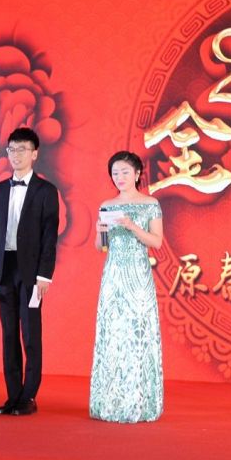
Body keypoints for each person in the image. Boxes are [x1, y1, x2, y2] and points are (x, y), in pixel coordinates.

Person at [0, 127, 59, 416]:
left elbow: (49, 236)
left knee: (30, 334)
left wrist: (44, 276)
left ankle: (29, 397)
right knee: (8, 335)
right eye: (12, 149)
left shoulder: (46, 191)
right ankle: (13, 395)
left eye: (22, 149)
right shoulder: (0, 189)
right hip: (4, 269)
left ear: (35, 154)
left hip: (31, 273)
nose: (16, 155)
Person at [90, 151, 164, 423]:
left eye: (124, 172)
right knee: (113, 334)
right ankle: (110, 400)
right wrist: (100, 231)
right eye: (115, 173)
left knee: (138, 334)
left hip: (138, 276)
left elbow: (156, 242)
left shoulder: (150, 204)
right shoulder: (107, 205)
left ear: (137, 173)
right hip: (113, 276)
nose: (119, 177)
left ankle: (140, 402)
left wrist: (132, 226)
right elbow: (102, 247)